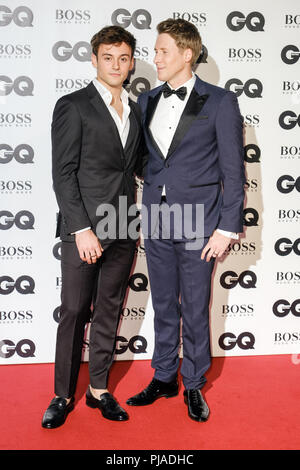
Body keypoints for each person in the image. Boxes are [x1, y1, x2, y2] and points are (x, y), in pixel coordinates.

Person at [126, 18, 245, 422]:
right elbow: (147, 158)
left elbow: (233, 170)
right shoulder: (147, 101)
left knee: (194, 307)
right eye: (155, 51)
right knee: (163, 304)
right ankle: (164, 376)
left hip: (201, 223)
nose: (154, 59)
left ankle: (193, 383)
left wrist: (226, 228)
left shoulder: (220, 102)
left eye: (162, 51)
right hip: (158, 219)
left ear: (186, 54)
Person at [42, 25, 145, 428]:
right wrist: (82, 228)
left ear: (132, 62)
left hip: (124, 224)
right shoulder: (73, 105)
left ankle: (99, 390)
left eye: (123, 58)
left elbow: (135, 167)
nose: (116, 65)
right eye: (108, 57)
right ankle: (62, 394)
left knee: (109, 310)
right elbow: (63, 173)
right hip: (85, 228)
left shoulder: (136, 109)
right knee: (73, 311)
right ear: (94, 59)